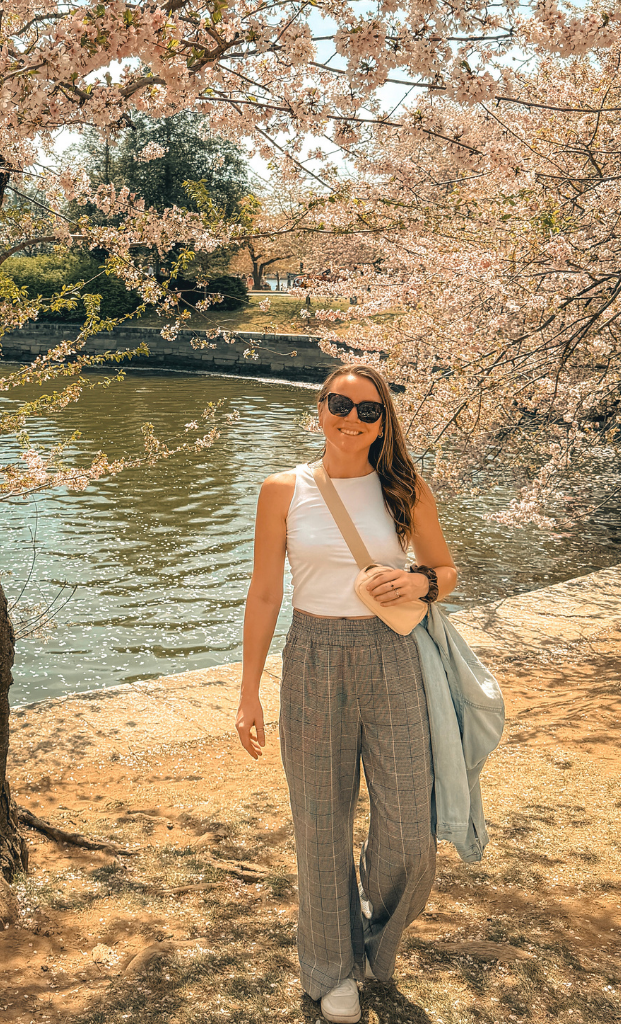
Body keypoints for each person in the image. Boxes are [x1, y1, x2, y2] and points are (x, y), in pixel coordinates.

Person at [236, 363, 458, 1024]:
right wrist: (247, 691)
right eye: (341, 404)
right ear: (320, 407)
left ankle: (369, 931)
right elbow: (265, 591)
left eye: (368, 411)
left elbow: (446, 569)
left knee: (410, 835)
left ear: (382, 422)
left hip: (392, 658)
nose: (351, 419)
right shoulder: (282, 489)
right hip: (311, 656)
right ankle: (330, 967)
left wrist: (419, 584)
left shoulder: (404, 488)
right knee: (318, 821)